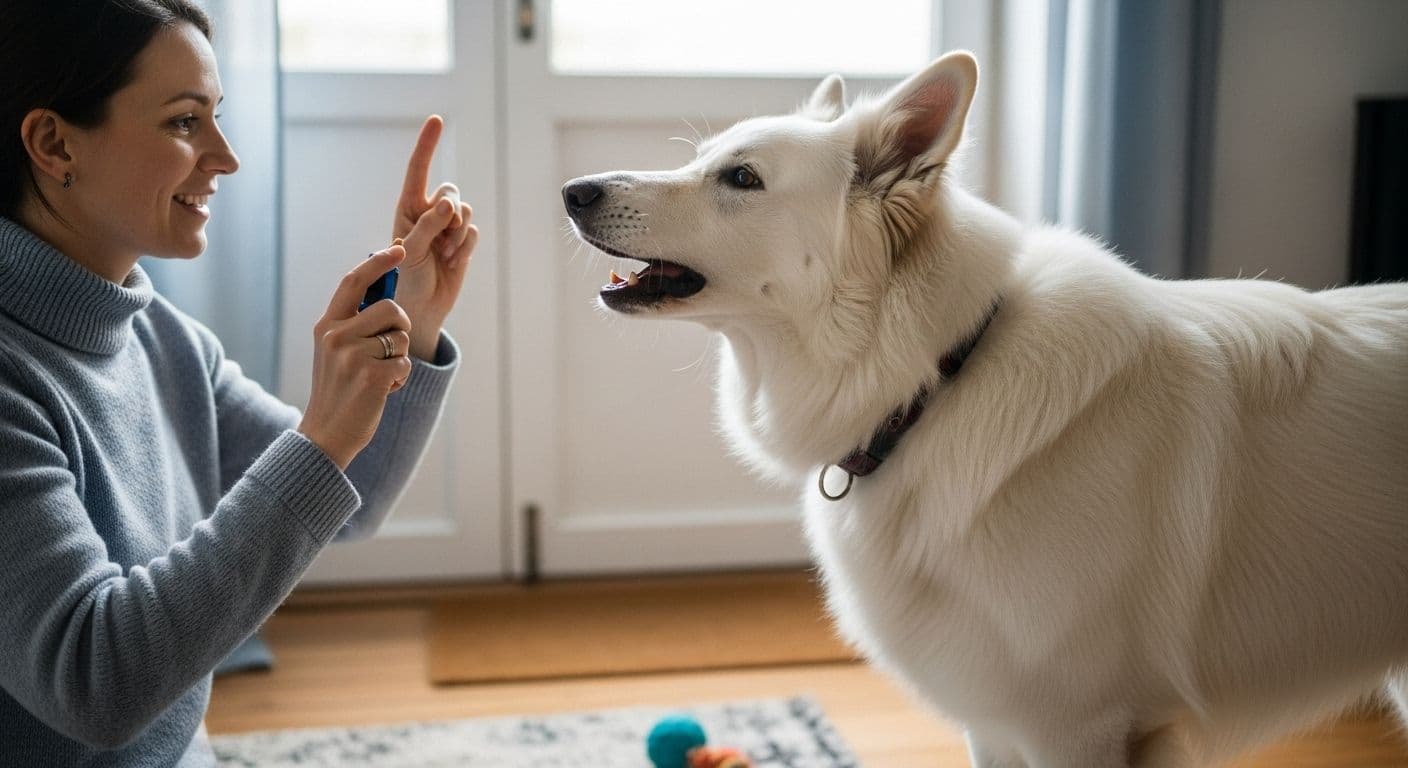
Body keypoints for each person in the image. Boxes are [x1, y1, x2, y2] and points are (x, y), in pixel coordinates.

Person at [0, 1, 478, 764]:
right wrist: (319, 436)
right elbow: (93, 681)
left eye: (217, 117)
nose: (225, 157)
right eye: (185, 122)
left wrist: (410, 326)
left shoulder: (163, 337)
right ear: (54, 143)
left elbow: (352, 499)